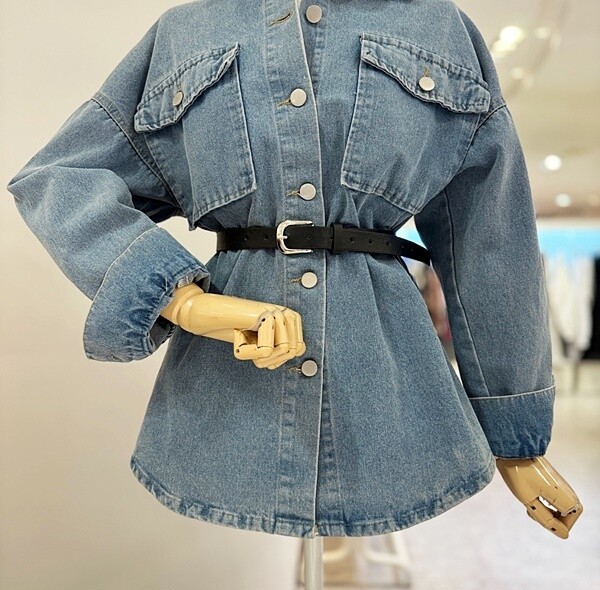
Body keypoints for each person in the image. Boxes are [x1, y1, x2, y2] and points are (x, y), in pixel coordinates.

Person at [6, 0, 582, 540]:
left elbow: (490, 241)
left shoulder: (439, 28)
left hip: (390, 411)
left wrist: (517, 437)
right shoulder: (186, 31)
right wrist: (181, 299)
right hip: (223, 410)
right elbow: (61, 177)